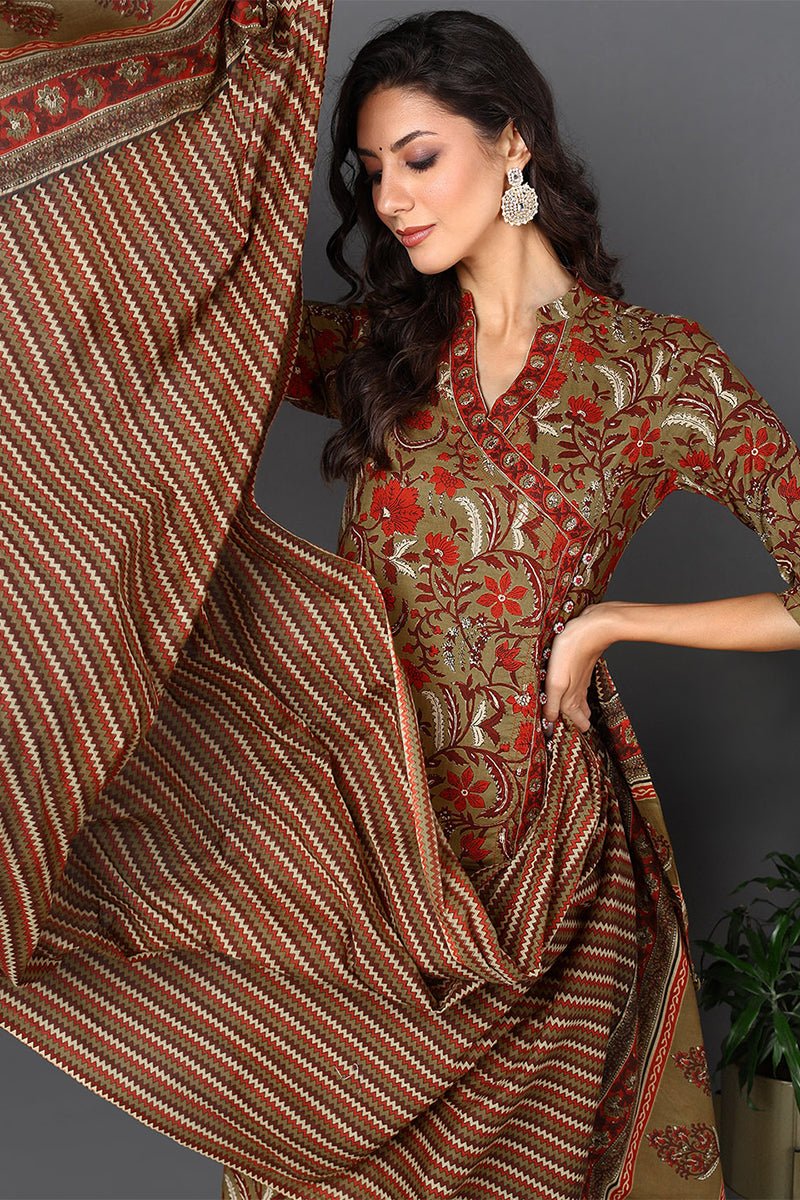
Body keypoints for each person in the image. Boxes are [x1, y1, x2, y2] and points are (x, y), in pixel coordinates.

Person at [236, 8, 800, 1197]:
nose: (389, 198)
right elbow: (185, 327)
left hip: (533, 871)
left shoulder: (652, 371)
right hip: (360, 847)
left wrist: (611, 623)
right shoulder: (380, 349)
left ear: (512, 143)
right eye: (371, 169)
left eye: (417, 157)